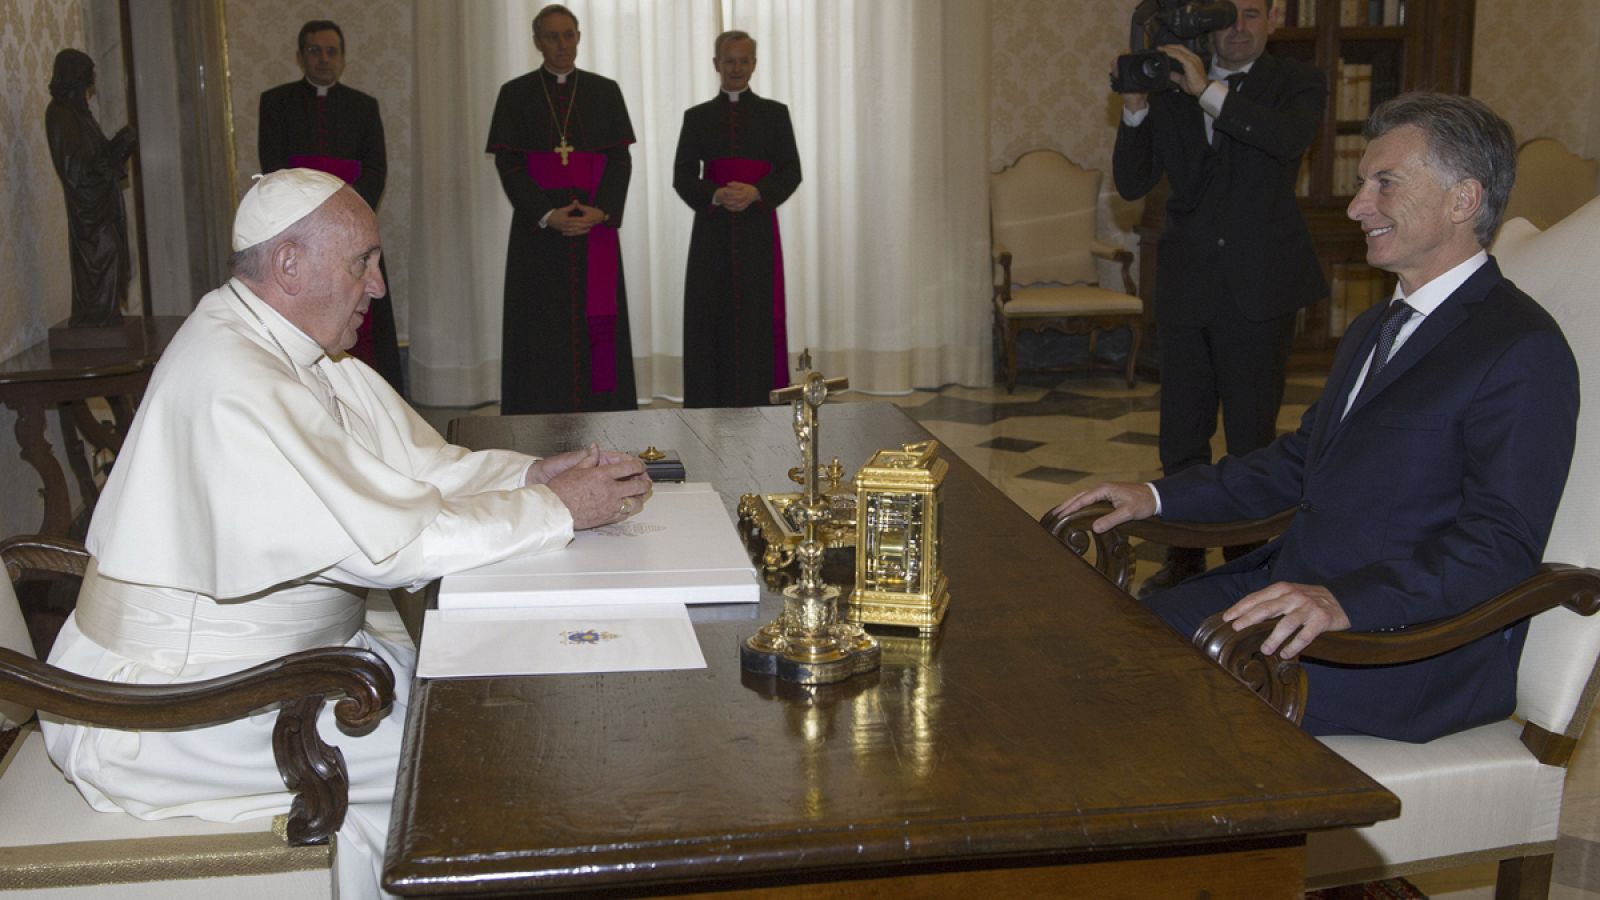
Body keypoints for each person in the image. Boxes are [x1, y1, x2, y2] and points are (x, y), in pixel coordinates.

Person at [39, 169, 653, 900]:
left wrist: (531, 479)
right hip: (179, 709)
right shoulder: (235, 375)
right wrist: (561, 512)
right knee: (481, 757)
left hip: (287, 668)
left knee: (497, 692)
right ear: (290, 264)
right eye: (362, 259)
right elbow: (394, 546)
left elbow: (423, 471)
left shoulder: (294, 348)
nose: (379, 285)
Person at [1053, 93, 1579, 744]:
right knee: (1094, 645)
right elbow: (1300, 464)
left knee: (1142, 704)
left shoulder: (1521, 350)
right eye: (1363, 185)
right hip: (1293, 602)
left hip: (1399, 650)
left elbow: (1498, 546)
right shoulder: (1375, 327)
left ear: (1463, 200)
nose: (1359, 207)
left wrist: (1345, 603)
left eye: (1385, 184)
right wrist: (1154, 495)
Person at [1112, 0, 1327, 595]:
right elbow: (1132, 182)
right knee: (1181, 434)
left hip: (1260, 287)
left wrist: (1207, 91)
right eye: (1228, 14)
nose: (1238, 27)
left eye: (1252, 13)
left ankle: (1246, 557)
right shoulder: (1173, 78)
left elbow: (1285, 141)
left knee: (1251, 433)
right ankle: (1183, 555)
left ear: (1274, 19)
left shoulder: (1297, 82)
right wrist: (1135, 109)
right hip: (1187, 283)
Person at [486, 4, 637, 414]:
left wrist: (603, 211)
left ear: (579, 37)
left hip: (595, 232)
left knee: (598, 331)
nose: (562, 44)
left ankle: (605, 412)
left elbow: (619, 160)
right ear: (537, 42)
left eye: (568, 34)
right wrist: (545, 214)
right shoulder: (515, 94)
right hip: (539, 235)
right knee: (540, 329)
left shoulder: (604, 91)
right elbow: (510, 164)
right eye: (552, 36)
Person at [259, 19, 405, 395]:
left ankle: (373, 399)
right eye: (314, 51)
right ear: (299, 56)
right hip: (300, 235)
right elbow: (274, 169)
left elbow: (376, 170)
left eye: (331, 51)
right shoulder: (275, 103)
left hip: (354, 232)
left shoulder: (363, 107)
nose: (324, 59)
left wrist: (343, 219)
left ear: (342, 58)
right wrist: (314, 220)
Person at [673, 30, 802, 407]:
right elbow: (682, 176)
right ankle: (707, 403)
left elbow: (791, 171)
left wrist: (757, 192)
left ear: (754, 64)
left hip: (757, 230)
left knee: (755, 319)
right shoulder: (697, 117)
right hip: (711, 231)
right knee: (708, 317)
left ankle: (756, 401)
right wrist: (713, 193)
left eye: (744, 60)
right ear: (716, 64)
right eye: (729, 60)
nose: (737, 68)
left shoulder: (775, 114)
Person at [46, 48, 136, 328]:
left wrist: (120, 145)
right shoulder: (60, 115)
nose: (89, 87)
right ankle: (97, 318)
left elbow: (96, 156)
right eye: (85, 80)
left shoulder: (80, 115)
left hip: (101, 204)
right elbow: (76, 172)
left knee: (113, 255)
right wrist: (112, 156)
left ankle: (104, 317)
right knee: (103, 254)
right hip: (89, 210)